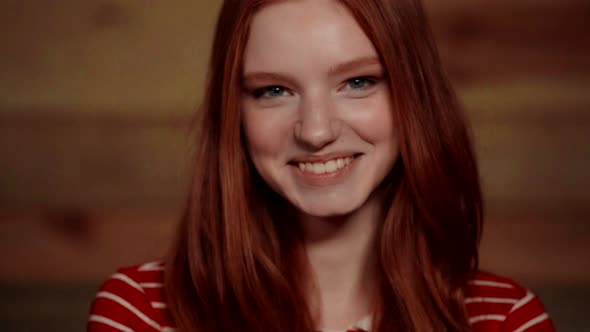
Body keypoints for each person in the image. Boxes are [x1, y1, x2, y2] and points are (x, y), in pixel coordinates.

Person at [88, 0, 556, 331]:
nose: (315, 132)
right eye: (273, 90)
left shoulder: (506, 319)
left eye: (357, 81)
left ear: (414, 94)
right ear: (234, 113)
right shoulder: (141, 312)